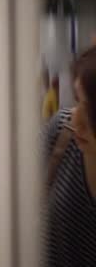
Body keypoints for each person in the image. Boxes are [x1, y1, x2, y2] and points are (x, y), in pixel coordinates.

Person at [42, 46, 96, 266]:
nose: (77, 121)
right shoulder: (62, 132)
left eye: (89, 110)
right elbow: (6, 201)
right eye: (77, 102)